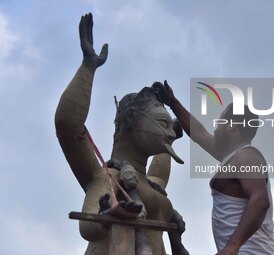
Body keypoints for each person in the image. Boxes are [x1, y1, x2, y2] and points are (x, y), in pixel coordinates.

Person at [55, 13, 188, 255]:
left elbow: (161, 161)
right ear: (129, 121)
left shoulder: (154, 185)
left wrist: (174, 131)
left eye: (169, 126)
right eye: (161, 123)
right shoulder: (106, 176)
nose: (168, 132)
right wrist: (88, 67)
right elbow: (68, 124)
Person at [156, 81, 274, 255]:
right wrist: (173, 102)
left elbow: (260, 200)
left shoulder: (246, 157)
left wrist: (233, 246)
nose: (215, 128)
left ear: (232, 126)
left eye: (220, 122)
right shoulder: (231, 157)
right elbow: (199, 133)